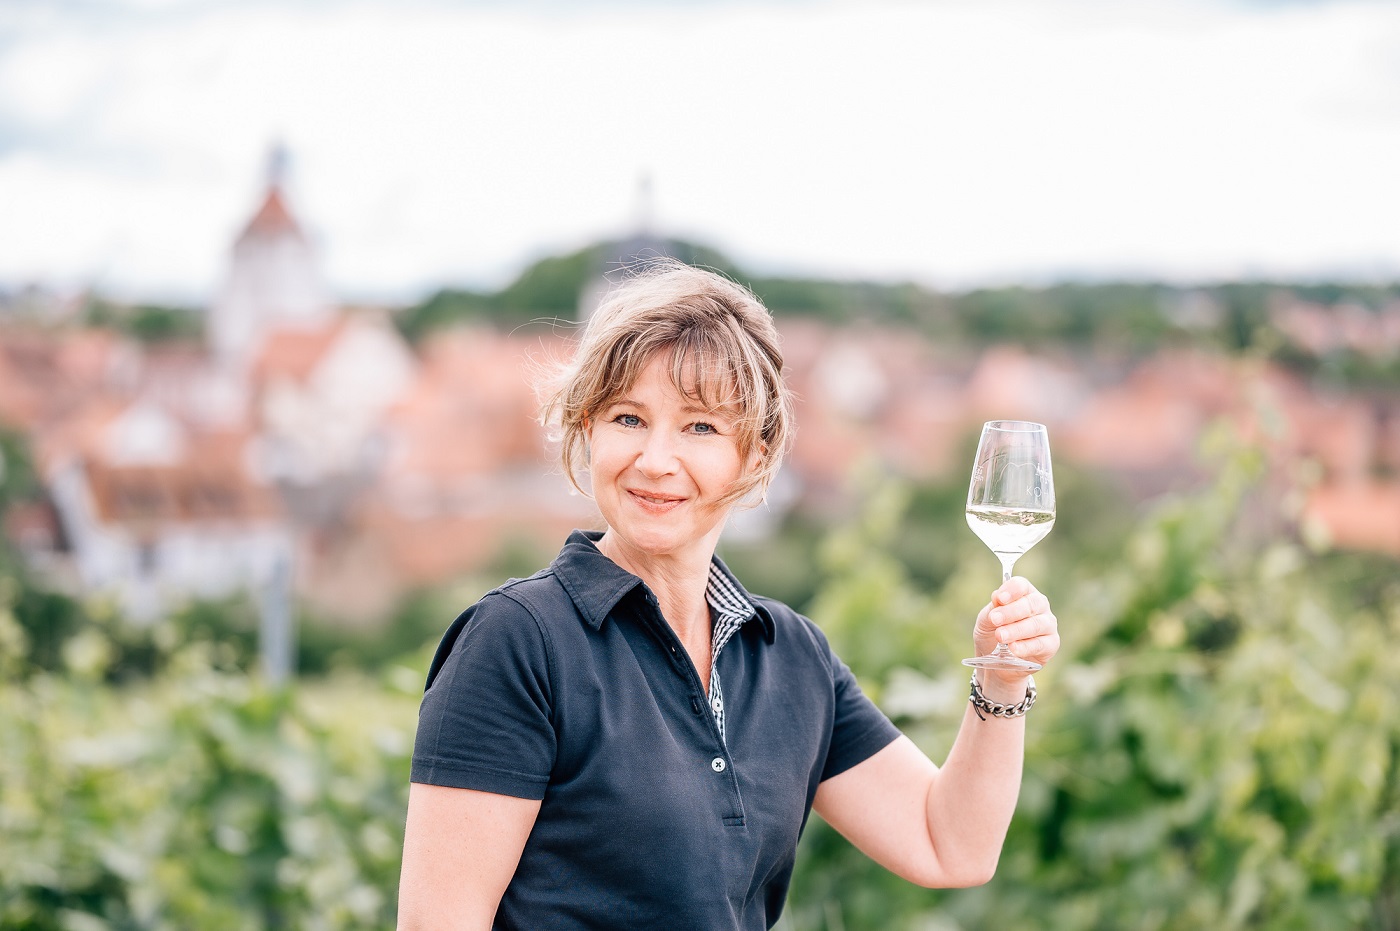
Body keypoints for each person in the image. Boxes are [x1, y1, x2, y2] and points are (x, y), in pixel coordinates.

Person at [396, 261, 1060, 930]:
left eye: (701, 427)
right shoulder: (517, 643)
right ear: (587, 428)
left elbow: (950, 844)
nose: (656, 459)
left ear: (756, 452)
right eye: (628, 417)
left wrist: (1002, 683)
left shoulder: (791, 657)